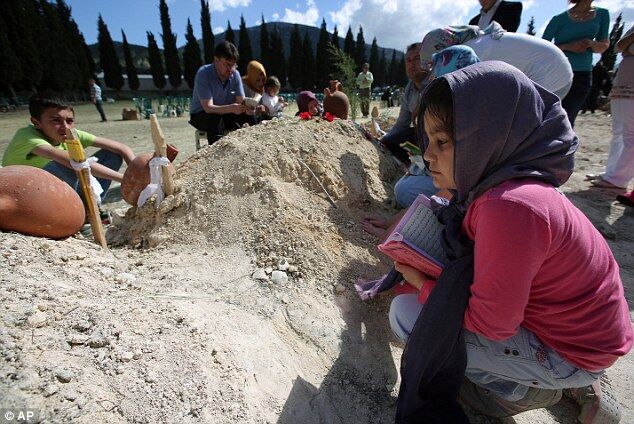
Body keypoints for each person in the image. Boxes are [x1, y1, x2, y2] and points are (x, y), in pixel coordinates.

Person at [389, 61, 632, 423]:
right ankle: (567, 379)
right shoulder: (510, 184)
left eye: (442, 141)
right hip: (578, 331)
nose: (427, 155)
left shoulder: (510, 208)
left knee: (407, 316)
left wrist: (422, 283)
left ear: (488, 136)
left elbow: (490, 325)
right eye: (428, 141)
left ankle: (522, 392)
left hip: (570, 348)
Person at [2, 92, 134, 203]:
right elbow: (78, 162)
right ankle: (78, 211)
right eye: (55, 120)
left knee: (112, 154)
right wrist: (127, 180)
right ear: (36, 122)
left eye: (69, 121)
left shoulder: (70, 133)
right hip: (26, 196)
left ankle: (90, 206)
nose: (65, 127)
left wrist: (137, 170)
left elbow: (121, 148)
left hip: (60, 188)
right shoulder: (27, 137)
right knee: (64, 165)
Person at [420, 23, 573, 98]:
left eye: (433, 63)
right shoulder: (476, 42)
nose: (434, 69)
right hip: (556, 66)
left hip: (553, 76)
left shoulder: (468, 55)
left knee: (523, 127)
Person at [542, 0, 610, 127]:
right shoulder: (559, 19)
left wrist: (590, 43)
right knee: (548, 114)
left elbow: (603, 46)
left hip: (582, 75)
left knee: (568, 117)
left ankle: (563, 145)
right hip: (557, 72)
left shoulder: (602, 14)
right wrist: (567, 46)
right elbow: (542, 47)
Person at [586, 25, 634, 190]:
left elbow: (627, 51)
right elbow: (620, 47)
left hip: (630, 89)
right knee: (618, 133)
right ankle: (610, 173)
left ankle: (618, 179)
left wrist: (628, 50)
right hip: (623, 88)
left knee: (630, 135)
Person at [189, 41, 257, 145]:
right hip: (201, 114)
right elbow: (208, 108)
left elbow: (240, 101)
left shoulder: (235, 74)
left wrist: (248, 107)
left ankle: (255, 148)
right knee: (214, 118)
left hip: (225, 113)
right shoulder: (203, 74)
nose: (230, 69)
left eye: (233, 65)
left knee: (250, 116)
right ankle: (216, 157)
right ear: (216, 60)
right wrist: (231, 108)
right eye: (227, 64)